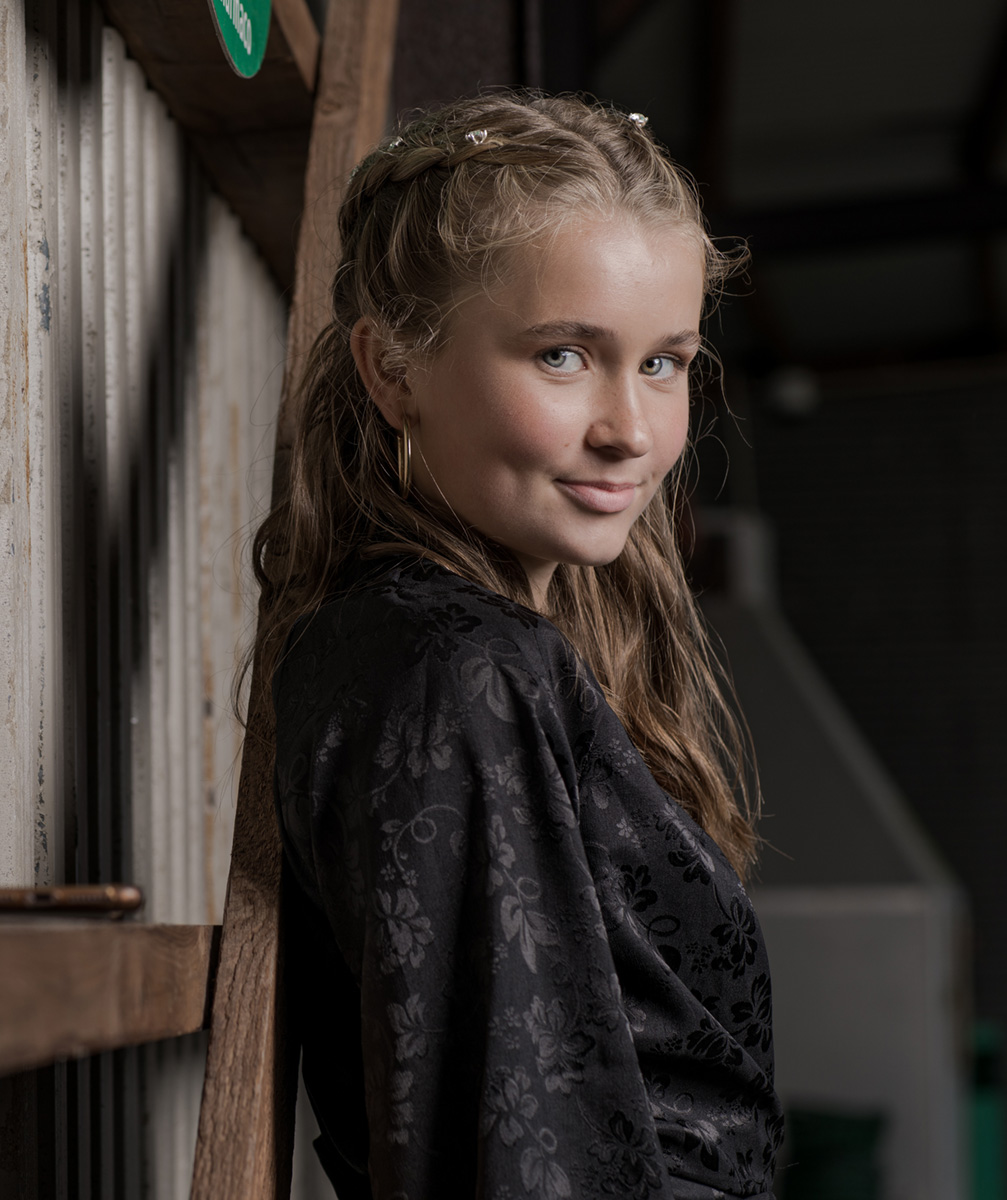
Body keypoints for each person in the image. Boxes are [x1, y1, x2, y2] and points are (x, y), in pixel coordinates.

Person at [255, 92, 782, 1199]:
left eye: (665, 363)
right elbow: (517, 1156)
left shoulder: (449, 645)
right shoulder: (458, 670)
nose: (630, 431)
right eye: (562, 355)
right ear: (393, 371)